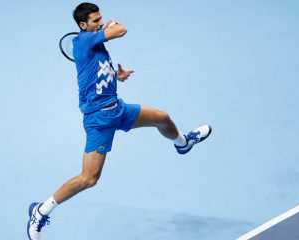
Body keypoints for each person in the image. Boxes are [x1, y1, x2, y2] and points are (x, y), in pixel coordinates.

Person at [26, 2, 212, 239]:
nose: (101, 22)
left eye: (101, 19)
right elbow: (121, 30)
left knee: (163, 118)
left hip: (119, 110)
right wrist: (114, 25)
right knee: (89, 179)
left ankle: (183, 143)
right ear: (83, 25)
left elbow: (94, 74)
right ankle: (40, 211)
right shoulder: (83, 40)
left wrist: (116, 76)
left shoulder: (95, 44)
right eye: (96, 21)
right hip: (99, 120)